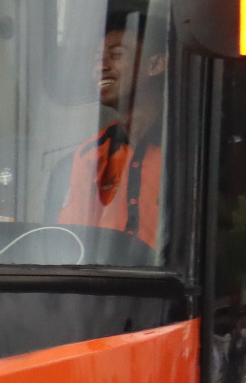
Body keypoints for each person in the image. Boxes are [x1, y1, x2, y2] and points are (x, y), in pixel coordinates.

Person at [57, 18, 165, 251]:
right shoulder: (92, 153)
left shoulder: (185, 147)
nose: (101, 67)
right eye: (97, 59)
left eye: (116, 55)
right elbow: (71, 243)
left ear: (156, 64)